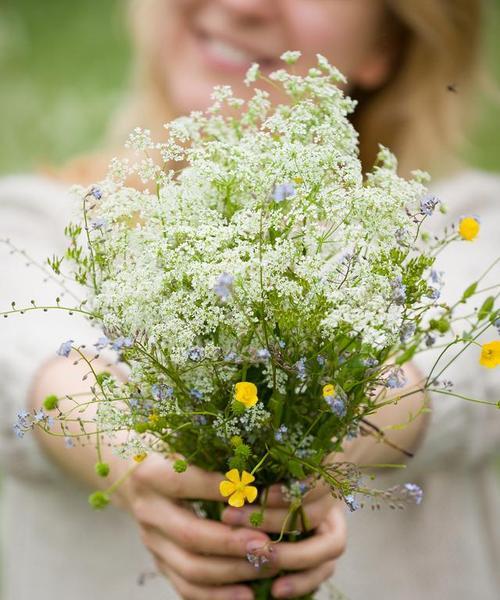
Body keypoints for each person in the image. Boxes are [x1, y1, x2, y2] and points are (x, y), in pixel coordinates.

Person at [0, 1, 498, 599]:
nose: (242, 4)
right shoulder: (36, 224)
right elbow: (27, 357)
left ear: (388, 42)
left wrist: (326, 440)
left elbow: (470, 351)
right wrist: (136, 462)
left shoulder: (464, 226)